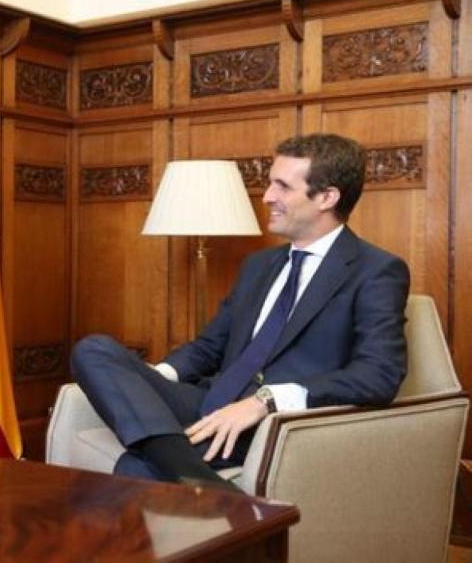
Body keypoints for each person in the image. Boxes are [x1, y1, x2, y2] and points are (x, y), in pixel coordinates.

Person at [72, 133, 410, 491]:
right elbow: (208, 348)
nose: (267, 197)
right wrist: (148, 378)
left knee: (135, 465)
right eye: (270, 184)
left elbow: (379, 375)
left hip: (270, 424)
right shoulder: (259, 265)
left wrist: (266, 400)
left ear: (327, 197)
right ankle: (198, 476)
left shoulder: (375, 271)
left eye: (282, 187)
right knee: (93, 350)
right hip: (211, 400)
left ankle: (175, 464)